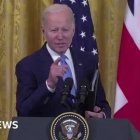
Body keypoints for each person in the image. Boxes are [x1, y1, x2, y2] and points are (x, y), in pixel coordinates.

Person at [16, 4, 111, 118]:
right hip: (44, 134)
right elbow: (23, 111)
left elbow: (102, 104)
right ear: (44, 31)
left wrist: (102, 115)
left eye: (65, 30)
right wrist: (49, 84)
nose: (60, 36)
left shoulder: (88, 61)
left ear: (73, 30)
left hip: (84, 133)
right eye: (54, 30)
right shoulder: (28, 65)